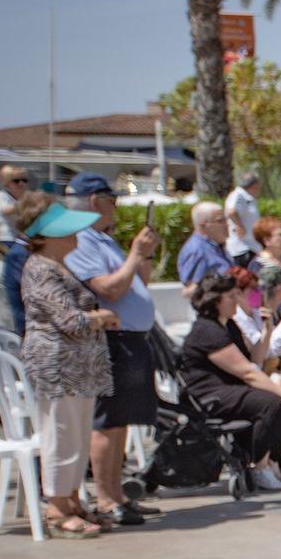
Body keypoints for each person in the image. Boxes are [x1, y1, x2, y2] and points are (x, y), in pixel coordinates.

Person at [14, 194, 119, 538]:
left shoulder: (60, 266)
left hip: (79, 367)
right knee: (60, 434)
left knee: (75, 434)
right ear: (46, 235)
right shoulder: (41, 268)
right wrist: (100, 317)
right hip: (58, 366)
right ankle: (57, 507)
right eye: (68, 231)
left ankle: (72, 498)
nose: (77, 237)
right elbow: (69, 319)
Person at [63, 175, 161, 526]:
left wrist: (142, 256)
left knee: (121, 421)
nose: (116, 206)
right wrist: (135, 253)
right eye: (112, 199)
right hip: (112, 341)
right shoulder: (82, 242)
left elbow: (136, 283)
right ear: (94, 201)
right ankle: (105, 499)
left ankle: (116, 494)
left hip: (130, 339)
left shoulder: (102, 240)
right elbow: (109, 289)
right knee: (107, 422)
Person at [175, 202, 232, 288]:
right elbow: (193, 289)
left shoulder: (214, 246)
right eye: (220, 221)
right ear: (203, 225)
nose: (227, 224)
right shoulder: (197, 251)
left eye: (226, 220)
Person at [223, 172, 262, 262]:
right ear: (254, 185)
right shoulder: (238, 195)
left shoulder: (247, 196)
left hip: (251, 245)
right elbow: (231, 211)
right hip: (242, 247)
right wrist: (240, 226)